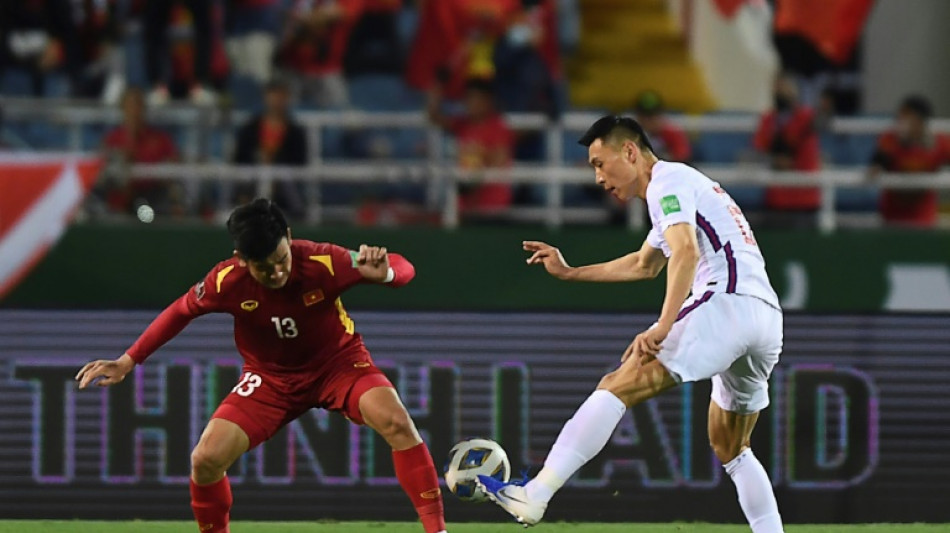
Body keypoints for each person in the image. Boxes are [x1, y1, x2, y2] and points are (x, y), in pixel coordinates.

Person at [478, 116, 785, 533]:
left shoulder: (666, 183)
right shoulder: (679, 185)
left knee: (616, 384)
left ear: (629, 152)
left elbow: (686, 252)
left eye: (600, 163)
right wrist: (571, 272)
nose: (598, 178)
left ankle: (537, 493)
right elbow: (644, 264)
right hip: (764, 317)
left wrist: (663, 325)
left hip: (725, 304)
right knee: (733, 447)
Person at [74, 199, 447, 533]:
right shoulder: (226, 281)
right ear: (241, 258)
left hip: (338, 366)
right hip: (270, 380)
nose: (277, 273)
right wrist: (128, 360)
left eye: (282, 259)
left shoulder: (322, 260)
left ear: (289, 237)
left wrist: (386, 274)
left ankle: (437, 531)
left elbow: (403, 267)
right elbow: (180, 311)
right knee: (205, 459)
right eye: (264, 268)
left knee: (397, 422)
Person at [427, 77, 515, 215]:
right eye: (467, 98)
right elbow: (434, 117)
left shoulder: (497, 127)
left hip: (491, 203)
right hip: (464, 202)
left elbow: (498, 160)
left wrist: (472, 180)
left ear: (487, 101)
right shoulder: (462, 124)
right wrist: (436, 92)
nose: (470, 103)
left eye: (475, 99)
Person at [870, 95, 950, 227]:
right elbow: (877, 162)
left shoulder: (938, 142)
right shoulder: (890, 139)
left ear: (920, 121)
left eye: (906, 117)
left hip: (924, 220)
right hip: (892, 220)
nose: (900, 121)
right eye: (900, 116)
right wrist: (877, 165)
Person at [752, 73, 821, 227]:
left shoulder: (806, 117)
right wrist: (774, 159)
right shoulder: (768, 120)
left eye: (786, 87)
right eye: (777, 87)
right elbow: (759, 148)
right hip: (777, 198)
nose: (781, 92)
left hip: (805, 197)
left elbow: (822, 121)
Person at [233, 78, 308, 217]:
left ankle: (296, 213)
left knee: (282, 173)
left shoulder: (295, 131)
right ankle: (243, 210)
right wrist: (258, 157)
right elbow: (240, 156)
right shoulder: (251, 127)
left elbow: (300, 159)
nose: (276, 100)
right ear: (265, 97)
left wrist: (275, 159)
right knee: (248, 173)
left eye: (280, 96)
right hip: (254, 169)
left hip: (283, 175)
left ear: (287, 98)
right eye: (273, 95)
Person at [101, 87, 181, 215]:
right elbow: (103, 172)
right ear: (123, 109)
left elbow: (174, 168)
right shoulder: (112, 140)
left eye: (138, 106)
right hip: (119, 202)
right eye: (129, 106)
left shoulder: (160, 139)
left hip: (152, 198)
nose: (134, 111)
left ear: (144, 109)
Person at [633, 90, 691, 163]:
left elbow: (682, 156)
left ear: (661, 115)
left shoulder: (672, 133)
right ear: (638, 117)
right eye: (644, 116)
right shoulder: (631, 135)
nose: (649, 121)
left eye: (653, 116)